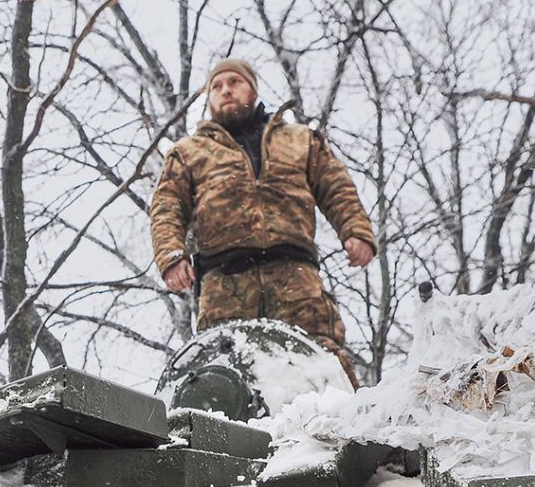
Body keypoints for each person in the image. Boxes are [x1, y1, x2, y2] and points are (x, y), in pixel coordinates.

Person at [150, 58, 375, 386]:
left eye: (234, 82)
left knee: (324, 365)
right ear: (209, 98)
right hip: (224, 284)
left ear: (252, 89)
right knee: (223, 377)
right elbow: (167, 206)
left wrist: (356, 231)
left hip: (296, 276)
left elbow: (336, 186)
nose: (226, 90)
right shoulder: (189, 152)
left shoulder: (300, 140)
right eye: (217, 86)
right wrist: (172, 255)